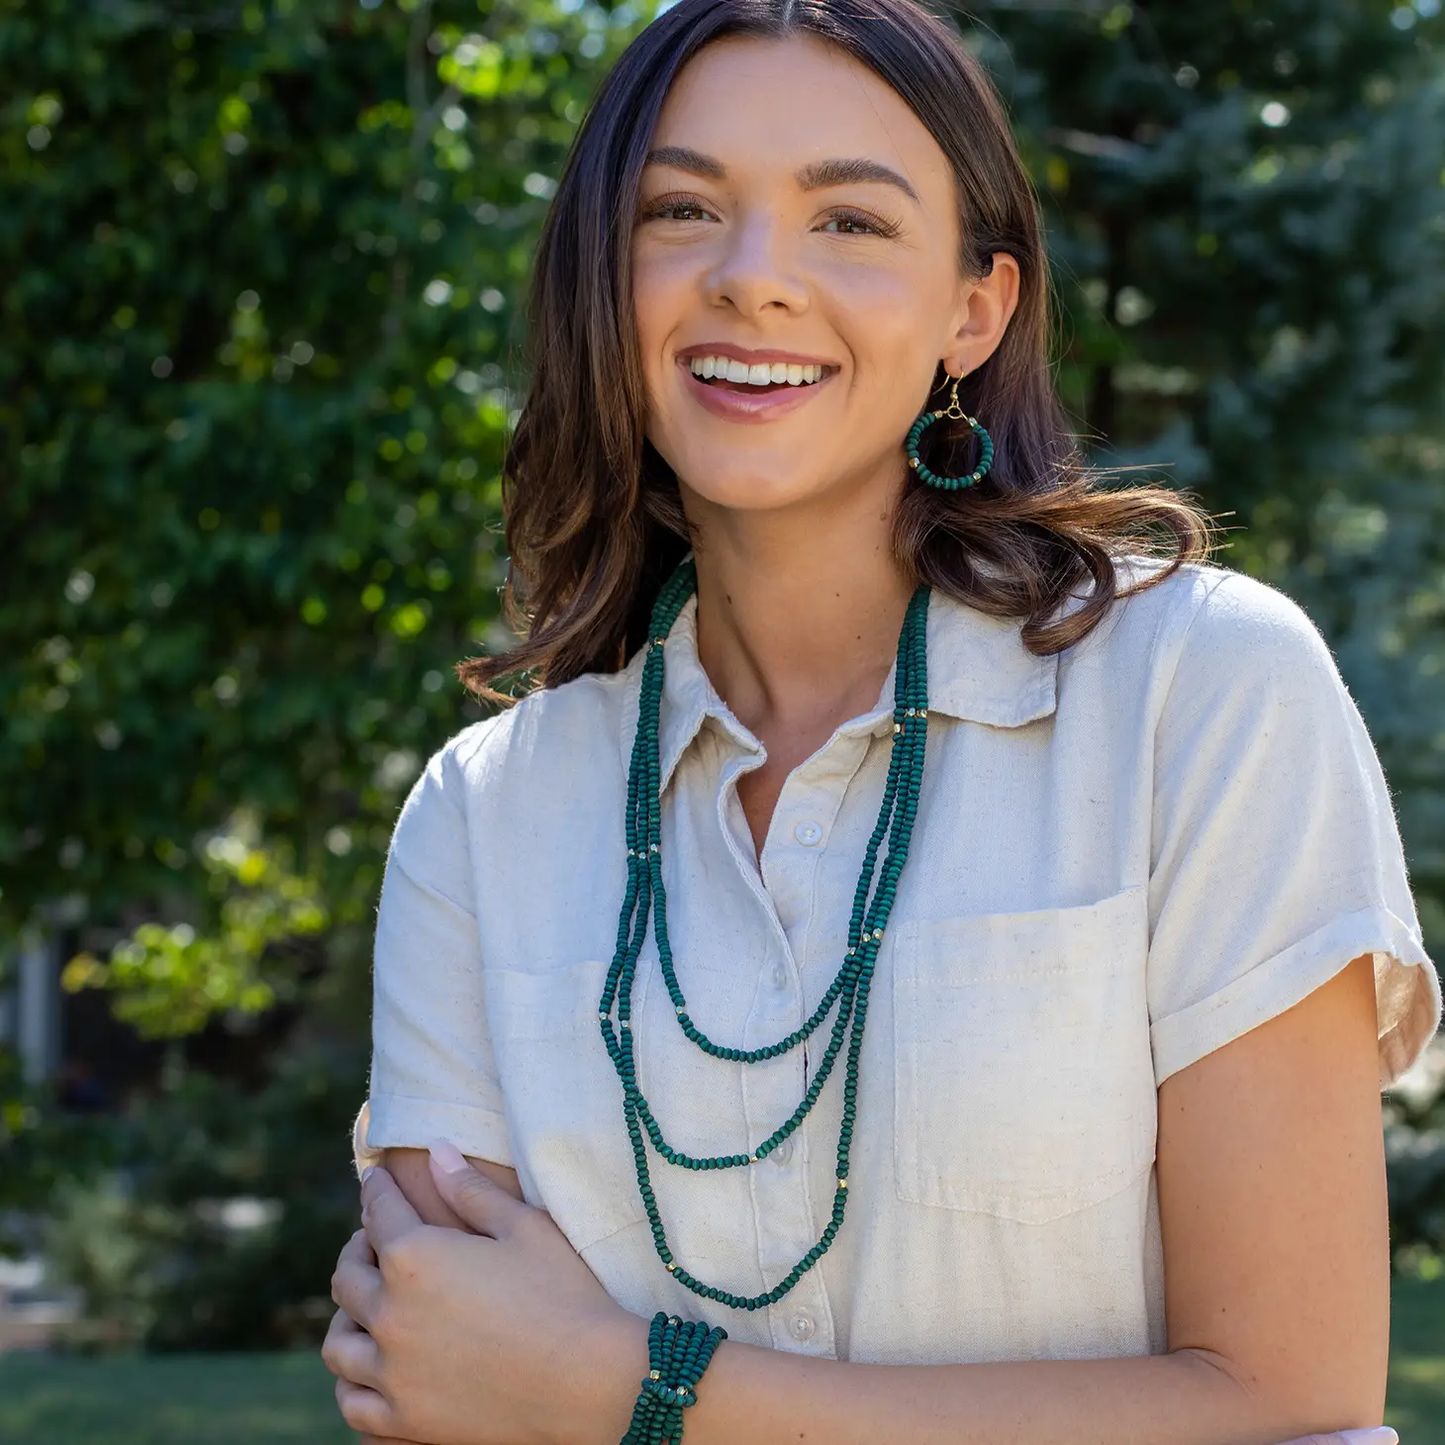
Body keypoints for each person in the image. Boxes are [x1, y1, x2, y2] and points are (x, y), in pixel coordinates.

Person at [322, 0, 1442, 1441]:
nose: (753, 281)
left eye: (848, 222)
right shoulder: (479, 821)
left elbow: (1292, 1399)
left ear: (974, 310)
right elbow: (444, 1375)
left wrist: (629, 1392)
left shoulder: (1202, 693)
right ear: (607, 278)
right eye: (682, 208)